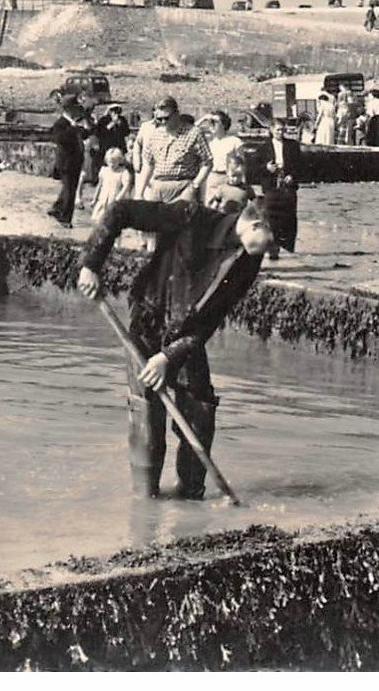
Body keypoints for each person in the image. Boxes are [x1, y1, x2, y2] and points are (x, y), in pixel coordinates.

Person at [76, 198, 277, 500]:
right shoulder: (190, 217)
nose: (274, 252)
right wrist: (91, 265)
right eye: (273, 241)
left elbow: (210, 323)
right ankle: (145, 503)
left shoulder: (248, 261)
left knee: (200, 409)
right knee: (147, 412)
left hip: (184, 340)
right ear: (257, 224)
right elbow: (120, 211)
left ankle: (190, 499)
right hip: (148, 324)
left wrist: (167, 357)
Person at [134, 96, 212, 205]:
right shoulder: (155, 134)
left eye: (166, 118)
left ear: (177, 114)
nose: (163, 122)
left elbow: (207, 162)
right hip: (158, 187)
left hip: (183, 187)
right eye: (159, 119)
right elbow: (148, 164)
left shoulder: (194, 133)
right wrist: (139, 193)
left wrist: (194, 186)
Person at [48, 95, 89, 228]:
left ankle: (57, 208)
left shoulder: (74, 123)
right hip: (66, 162)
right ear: (68, 110)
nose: (77, 111)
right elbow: (60, 139)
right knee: (70, 190)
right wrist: (73, 127)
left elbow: (85, 134)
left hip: (75, 161)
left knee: (69, 187)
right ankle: (65, 218)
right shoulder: (60, 124)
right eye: (75, 109)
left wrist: (86, 125)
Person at [204, 109, 246, 204]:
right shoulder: (209, 142)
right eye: (210, 122)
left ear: (223, 125)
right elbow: (192, 130)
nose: (211, 125)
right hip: (213, 178)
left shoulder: (235, 141)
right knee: (211, 207)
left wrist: (242, 183)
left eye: (215, 122)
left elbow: (242, 164)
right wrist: (204, 118)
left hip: (229, 178)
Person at [90, 145, 135, 228]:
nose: (112, 164)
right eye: (110, 161)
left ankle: (116, 241)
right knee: (99, 222)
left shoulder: (123, 172)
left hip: (114, 200)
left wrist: (118, 198)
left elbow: (126, 186)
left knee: (114, 224)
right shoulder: (104, 170)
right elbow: (99, 185)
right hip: (103, 200)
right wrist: (94, 199)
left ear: (119, 160)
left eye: (114, 161)